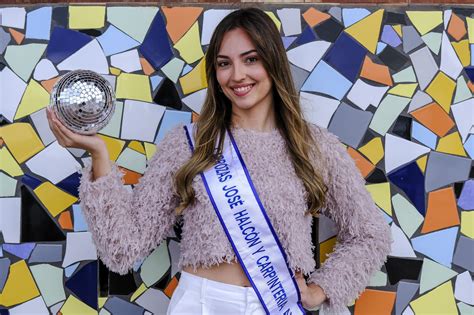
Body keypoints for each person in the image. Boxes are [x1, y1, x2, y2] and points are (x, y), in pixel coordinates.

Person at [47, 7, 392, 315]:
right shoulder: (188, 144)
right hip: (200, 303)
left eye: (251, 59)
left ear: (273, 62)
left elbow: (371, 236)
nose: (237, 75)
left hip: (277, 303)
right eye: (224, 63)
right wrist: (98, 155)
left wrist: (322, 290)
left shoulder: (314, 146)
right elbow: (124, 248)